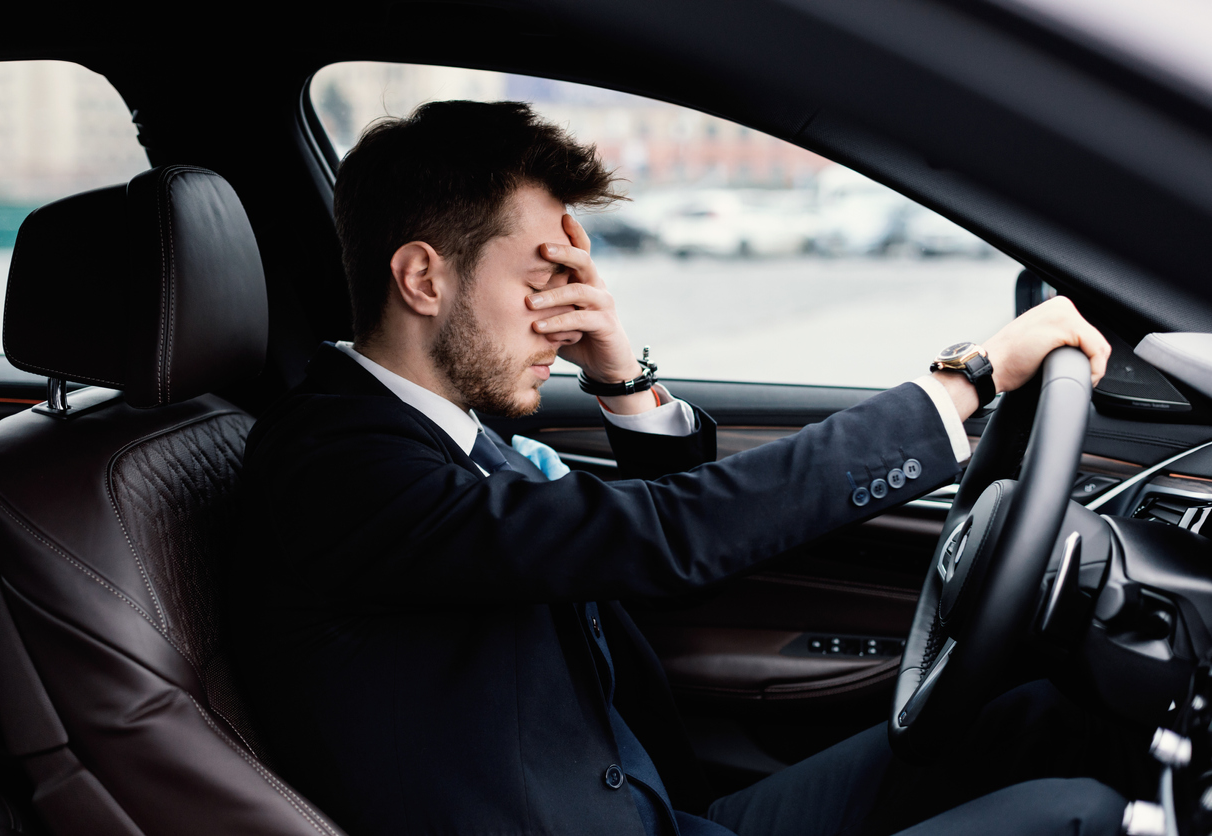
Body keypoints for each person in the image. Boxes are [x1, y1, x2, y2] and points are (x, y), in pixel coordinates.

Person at [228, 100, 1123, 836]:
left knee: (1046, 715)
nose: (571, 310)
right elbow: (668, 535)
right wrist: (966, 382)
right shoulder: (336, 465)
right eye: (545, 278)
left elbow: (640, 558)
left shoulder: (448, 434)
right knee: (1079, 818)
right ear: (424, 279)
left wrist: (619, 375)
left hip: (671, 819)